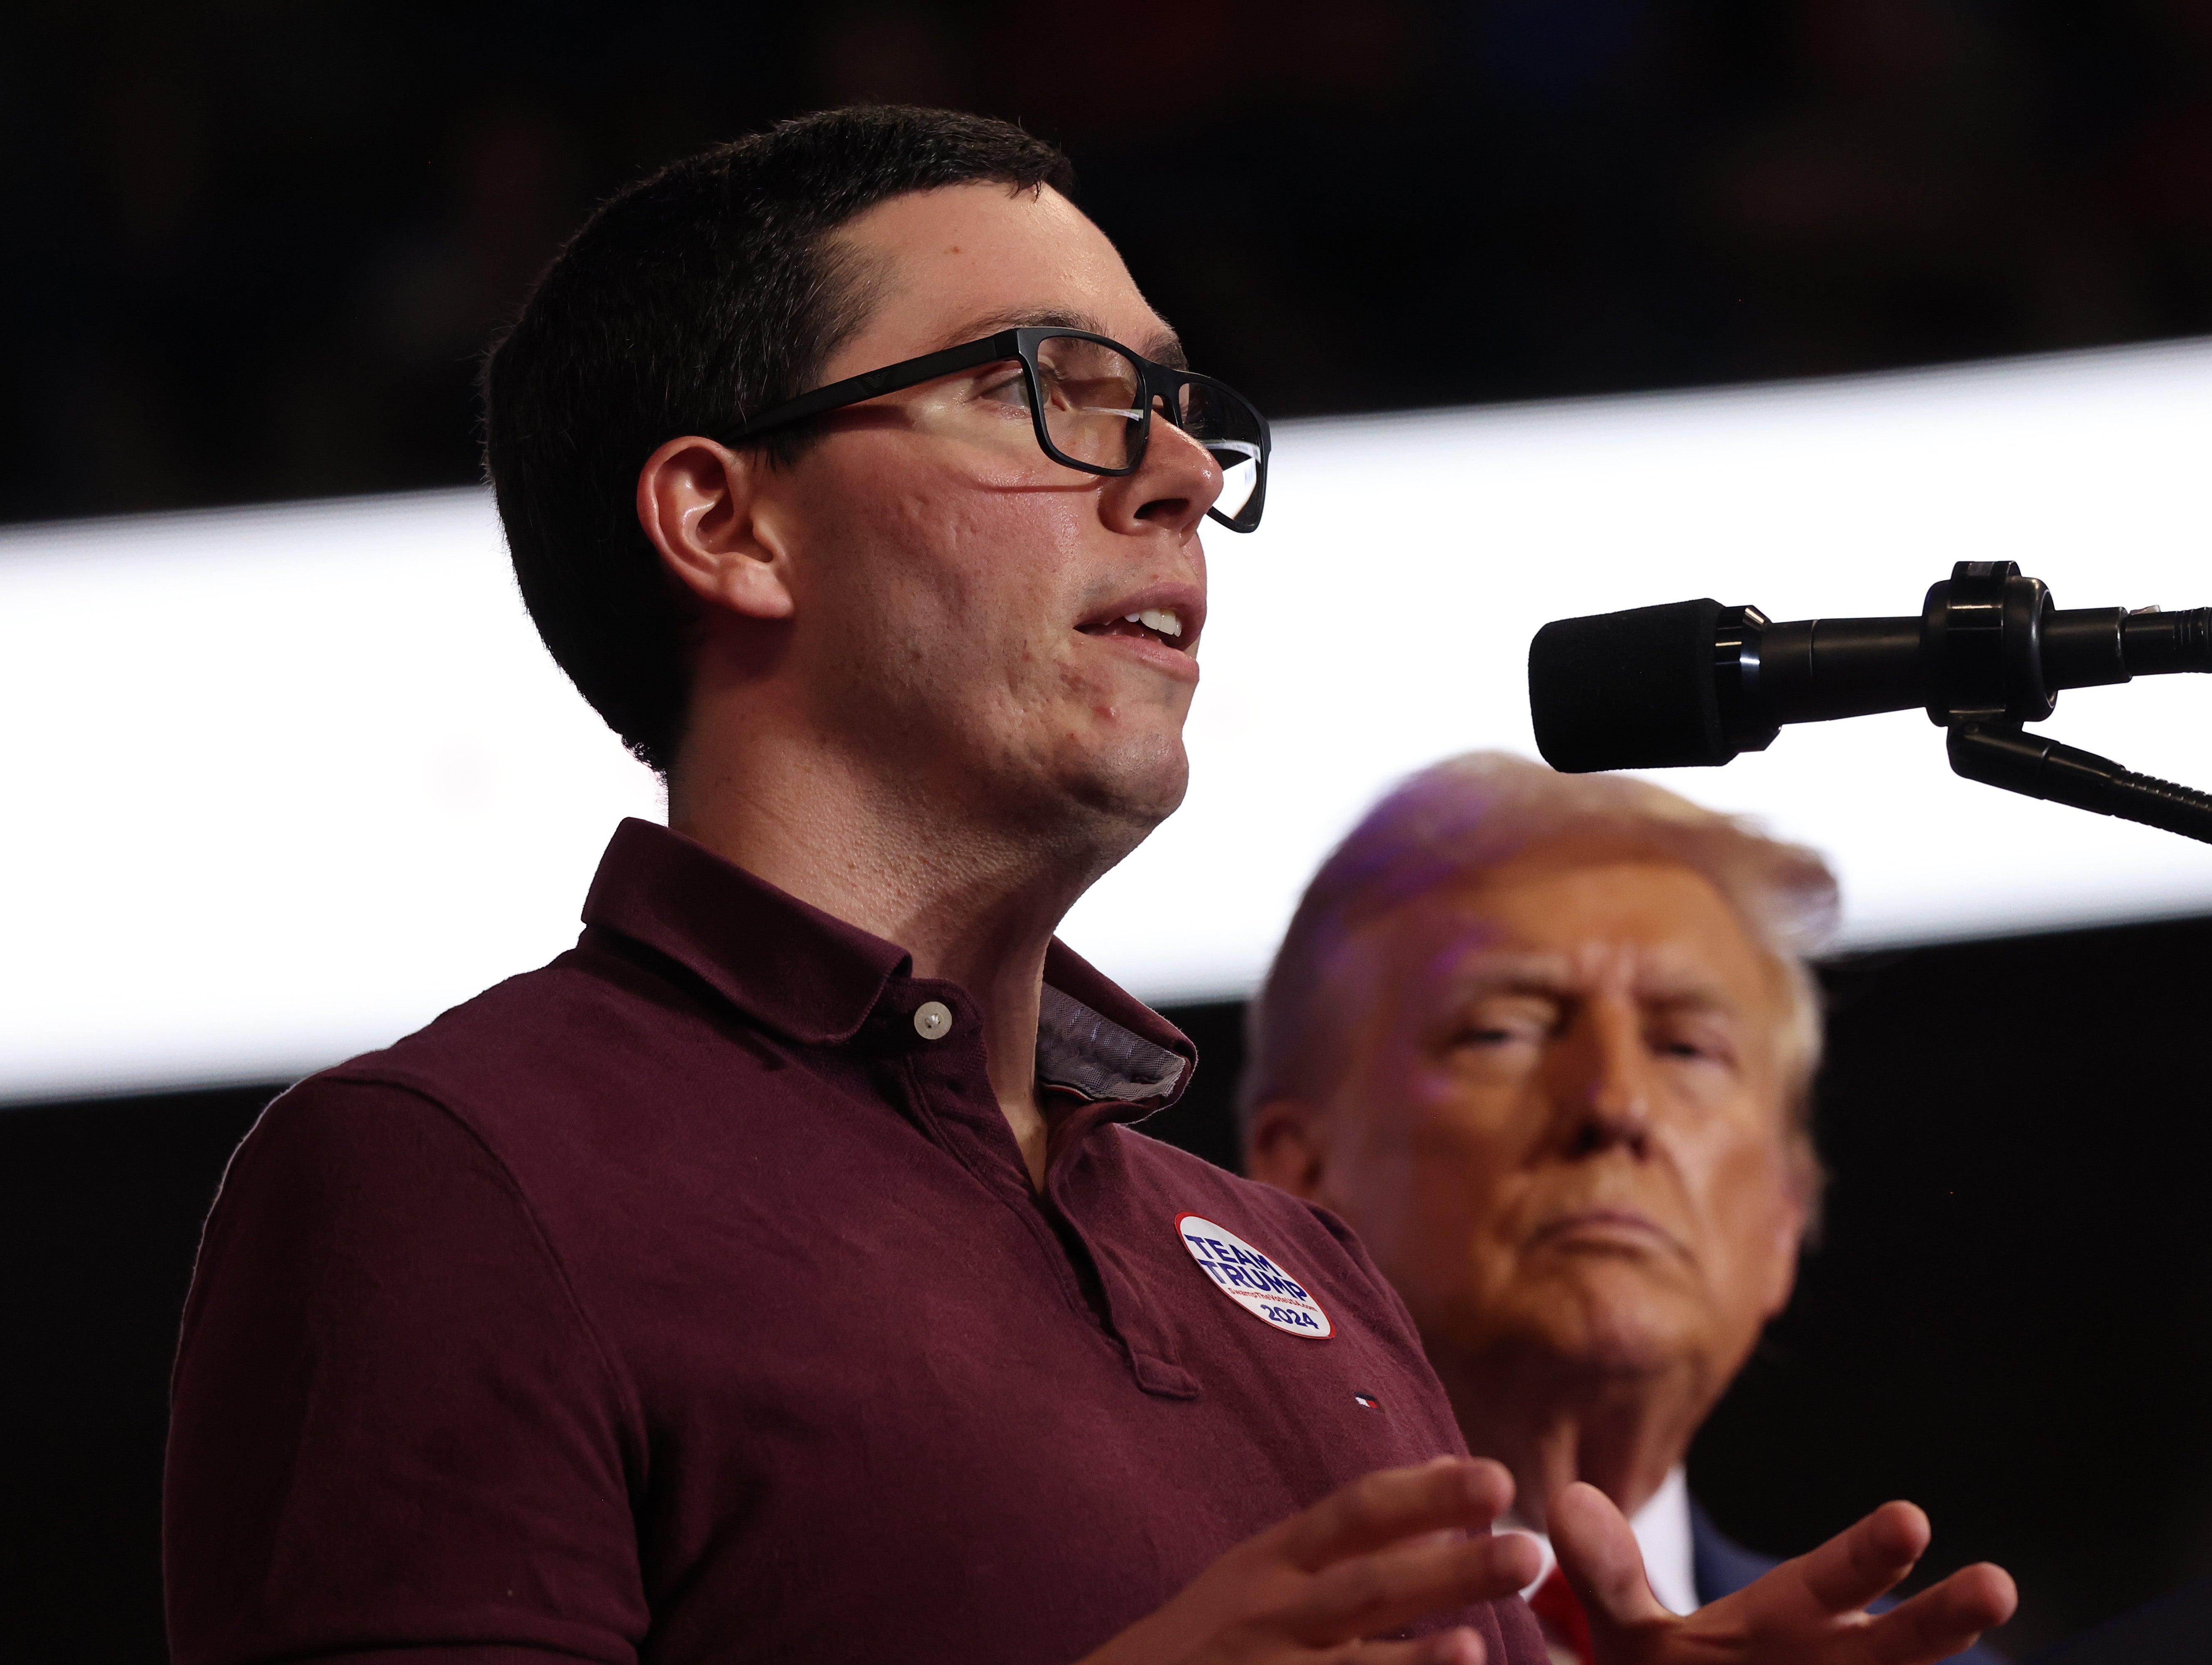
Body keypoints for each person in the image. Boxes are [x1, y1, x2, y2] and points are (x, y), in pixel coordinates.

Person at [163, 106, 2015, 1665]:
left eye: (1186, 406)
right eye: (1049, 386)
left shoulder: (1293, 1265)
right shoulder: (451, 1176)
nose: (1186, 472)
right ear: (729, 522)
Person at [1244, 752, 2003, 1664]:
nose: (1616, 1105)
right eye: (1506, 1031)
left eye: (1686, 1048)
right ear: (1295, 1181)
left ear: (1782, 1217)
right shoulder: (1154, 1625)